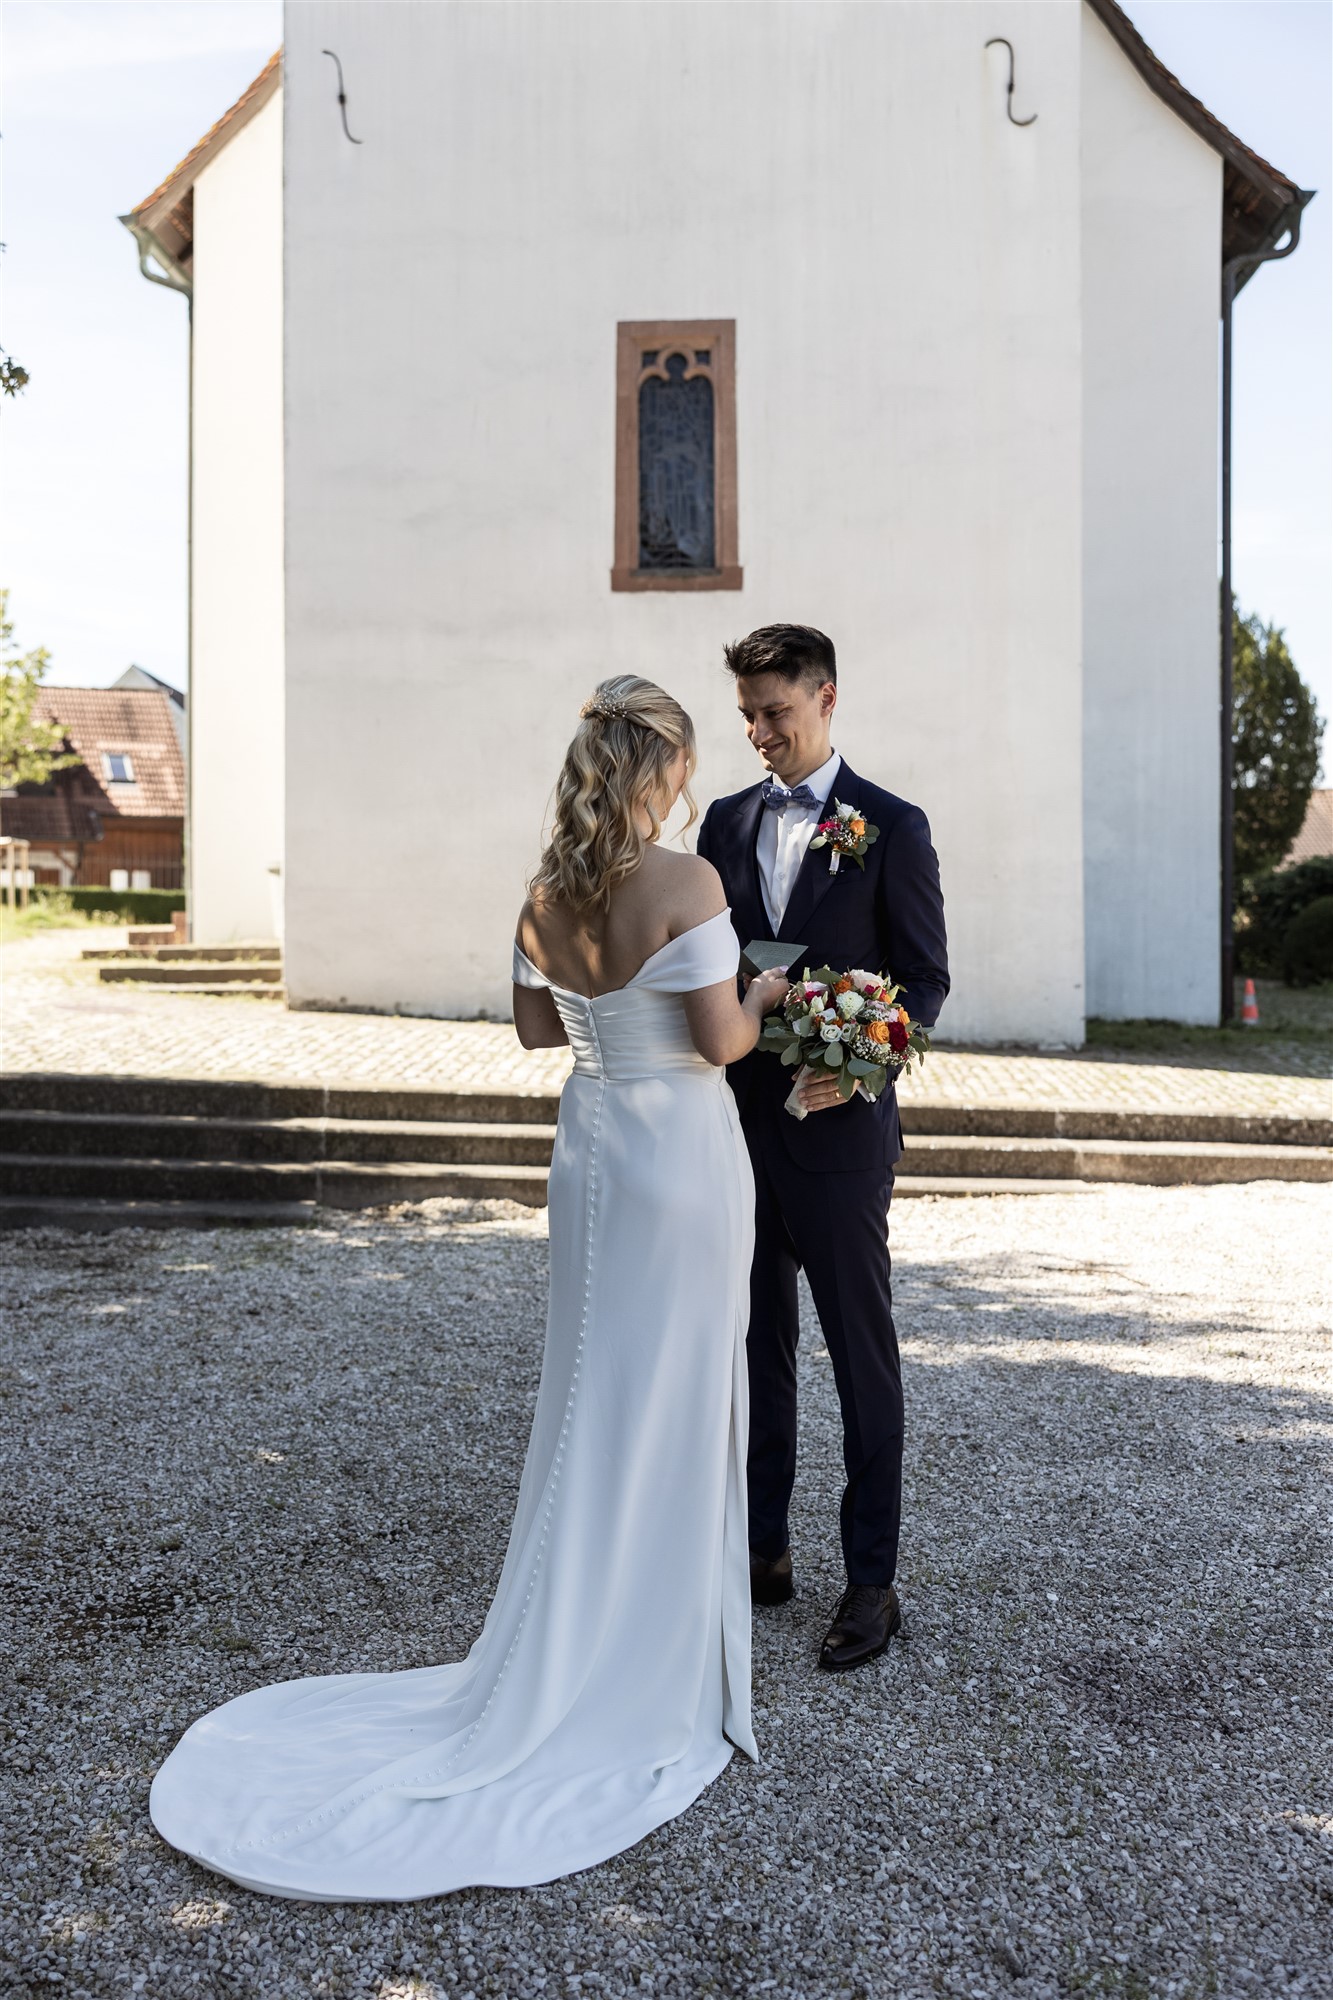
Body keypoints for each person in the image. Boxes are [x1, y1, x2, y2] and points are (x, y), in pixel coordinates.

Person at [148, 674, 789, 1901]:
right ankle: (646, 1660)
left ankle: (576, 1626)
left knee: (596, 1385)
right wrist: (760, 993)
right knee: (677, 1386)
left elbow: (536, 1033)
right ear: (657, 771)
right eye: (686, 765)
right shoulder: (691, 883)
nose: (691, 786)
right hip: (681, 1156)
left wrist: (613, 1006)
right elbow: (721, 1044)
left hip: (592, 1147)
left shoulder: (546, 893)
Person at [697, 624, 950, 1672]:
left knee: (858, 1355)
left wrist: (861, 1065)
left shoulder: (891, 826)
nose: (759, 732)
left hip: (842, 1144)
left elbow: (924, 985)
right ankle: (760, 1550)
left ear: (825, 697)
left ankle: (871, 1578)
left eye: (776, 712)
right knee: (752, 1351)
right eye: (749, 715)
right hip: (733, 1133)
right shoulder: (720, 822)